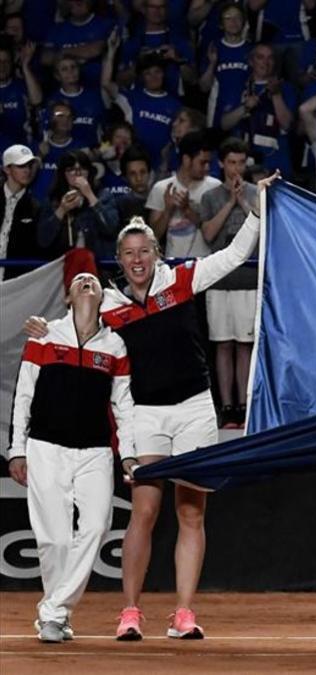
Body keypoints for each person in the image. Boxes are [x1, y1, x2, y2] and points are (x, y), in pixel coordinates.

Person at [23, 171, 282, 641]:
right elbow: (72, 322)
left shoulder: (182, 279)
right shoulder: (109, 304)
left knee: (191, 513)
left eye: (145, 251)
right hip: (144, 415)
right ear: (118, 260)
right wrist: (45, 326)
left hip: (194, 409)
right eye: (128, 254)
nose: (137, 260)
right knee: (143, 511)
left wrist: (258, 211)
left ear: (156, 254)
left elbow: (234, 256)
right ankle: (130, 612)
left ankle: (183, 614)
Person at [7, 272, 135, 644]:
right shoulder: (44, 336)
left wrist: (127, 455)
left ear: (101, 297)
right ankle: (57, 617)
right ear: (67, 296)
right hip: (45, 447)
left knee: (96, 526)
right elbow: (24, 396)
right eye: (79, 280)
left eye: (92, 280)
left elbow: (123, 407)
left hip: (95, 450)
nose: (86, 282)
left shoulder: (115, 346)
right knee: (55, 540)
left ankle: (53, 610)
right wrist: (16, 449)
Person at [198, 138, 259, 429]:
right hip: (219, 279)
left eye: (241, 163)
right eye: (231, 162)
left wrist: (244, 202)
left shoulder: (257, 193)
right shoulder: (210, 197)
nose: (237, 169)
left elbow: (263, 229)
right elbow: (209, 234)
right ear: (222, 164)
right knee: (222, 344)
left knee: (245, 344)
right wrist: (230, 203)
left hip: (249, 279)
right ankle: (227, 407)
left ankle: (245, 406)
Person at [220, 43, 297, 178]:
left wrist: (276, 95)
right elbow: (224, 124)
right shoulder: (237, 86)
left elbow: (288, 125)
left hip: (276, 162)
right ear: (251, 61)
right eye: (260, 57)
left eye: (270, 58)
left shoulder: (286, 88)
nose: (265, 62)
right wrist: (245, 107)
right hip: (242, 162)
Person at [145, 131, 221, 259]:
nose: (208, 168)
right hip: (172, 264)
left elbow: (215, 232)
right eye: (202, 163)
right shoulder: (161, 188)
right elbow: (154, 236)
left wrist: (187, 209)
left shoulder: (215, 187)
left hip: (206, 264)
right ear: (186, 160)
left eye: (209, 162)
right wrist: (168, 211)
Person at [37, 150, 120, 260]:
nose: (77, 173)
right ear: (63, 174)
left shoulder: (103, 196)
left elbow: (111, 229)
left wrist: (90, 196)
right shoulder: (53, 200)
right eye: (71, 169)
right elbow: (43, 240)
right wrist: (61, 210)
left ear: (89, 172)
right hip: (62, 267)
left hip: (97, 266)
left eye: (82, 168)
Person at [199, 2, 252, 129]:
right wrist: (212, 63)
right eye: (228, 18)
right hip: (217, 114)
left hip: (245, 114)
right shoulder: (213, 48)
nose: (233, 22)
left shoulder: (252, 50)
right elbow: (203, 87)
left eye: (237, 17)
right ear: (221, 24)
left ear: (244, 22)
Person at [1, 144, 46, 281]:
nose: (27, 170)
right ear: (7, 169)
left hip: (16, 281)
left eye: (29, 166)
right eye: (21, 166)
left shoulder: (36, 207)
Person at [0, 40, 42, 152]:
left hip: (22, 149)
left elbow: (37, 100)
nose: (2, 66)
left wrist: (25, 66)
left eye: (6, 62)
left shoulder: (21, 85)